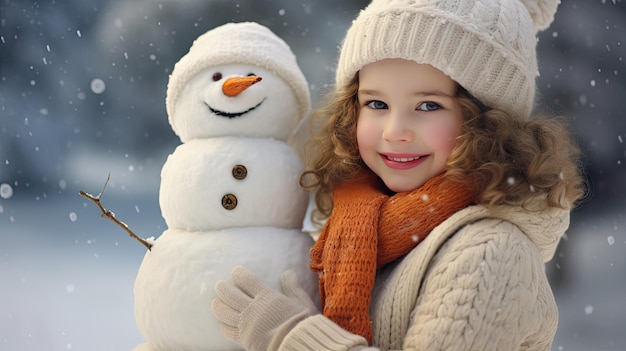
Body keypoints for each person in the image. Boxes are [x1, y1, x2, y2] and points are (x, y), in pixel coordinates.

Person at [210, 0, 586, 350]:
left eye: (427, 105)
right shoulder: (357, 225)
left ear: (489, 122)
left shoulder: (491, 253)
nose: (394, 130)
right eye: (376, 103)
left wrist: (291, 336)